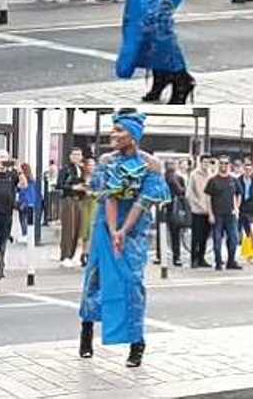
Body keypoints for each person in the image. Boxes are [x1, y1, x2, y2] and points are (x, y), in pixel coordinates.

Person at [78, 112, 169, 368]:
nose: (113, 135)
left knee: (132, 282)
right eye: (112, 130)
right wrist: (112, 230)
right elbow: (109, 196)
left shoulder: (151, 165)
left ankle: (136, 343)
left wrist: (124, 231)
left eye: (119, 130)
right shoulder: (106, 160)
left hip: (135, 229)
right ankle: (86, 331)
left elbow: (144, 201)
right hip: (105, 225)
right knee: (95, 279)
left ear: (134, 134)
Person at [205, 157, 243, 270]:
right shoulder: (213, 180)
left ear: (229, 165)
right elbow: (208, 198)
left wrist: (237, 207)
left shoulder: (234, 180)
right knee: (217, 239)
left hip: (231, 215)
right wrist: (210, 213)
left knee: (234, 238)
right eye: (221, 163)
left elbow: (239, 194)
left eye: (226, 163)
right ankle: (218, 262)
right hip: (217, 215)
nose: (223, 166)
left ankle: (231, 261)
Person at [59, 148, 88, 266]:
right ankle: (65, 255)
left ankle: (72, 255)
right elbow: (59, 184)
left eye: (79, 154)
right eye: (74, 154)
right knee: (68, 228)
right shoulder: (65, 169)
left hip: (79, 200)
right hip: (69, 199)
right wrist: (73, 187)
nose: (77, 157)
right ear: (70, 156)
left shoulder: (81, 169)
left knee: (77, 228)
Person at [187, 155, 214, 268]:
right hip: (197, 210)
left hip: (208, 211)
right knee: (196, 236)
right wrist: (196, 204)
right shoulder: (194, 175)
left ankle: (201, 258)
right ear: (200, 162)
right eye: (204, 162)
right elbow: (189, 193)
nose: (206, 164)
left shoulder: (211, 175)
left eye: (208, 162)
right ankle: (193, 259)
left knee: (205, 236)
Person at [164, 161, 187, 267]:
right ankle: (176, 257)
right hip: (172, 208)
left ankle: (167, 256)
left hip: (169, 208)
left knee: (171, 233)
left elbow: (183, 192)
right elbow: (182, 191)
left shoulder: (163, 178)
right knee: (174, 234)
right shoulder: (175, 178)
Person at [17, 163, 42, 238]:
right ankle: (30, 235)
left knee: (23, 219)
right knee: (29, 219)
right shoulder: (33, 180)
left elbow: (21, 190)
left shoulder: (22, 180)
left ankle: (25, 234)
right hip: (32, 202)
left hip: (24, 202)